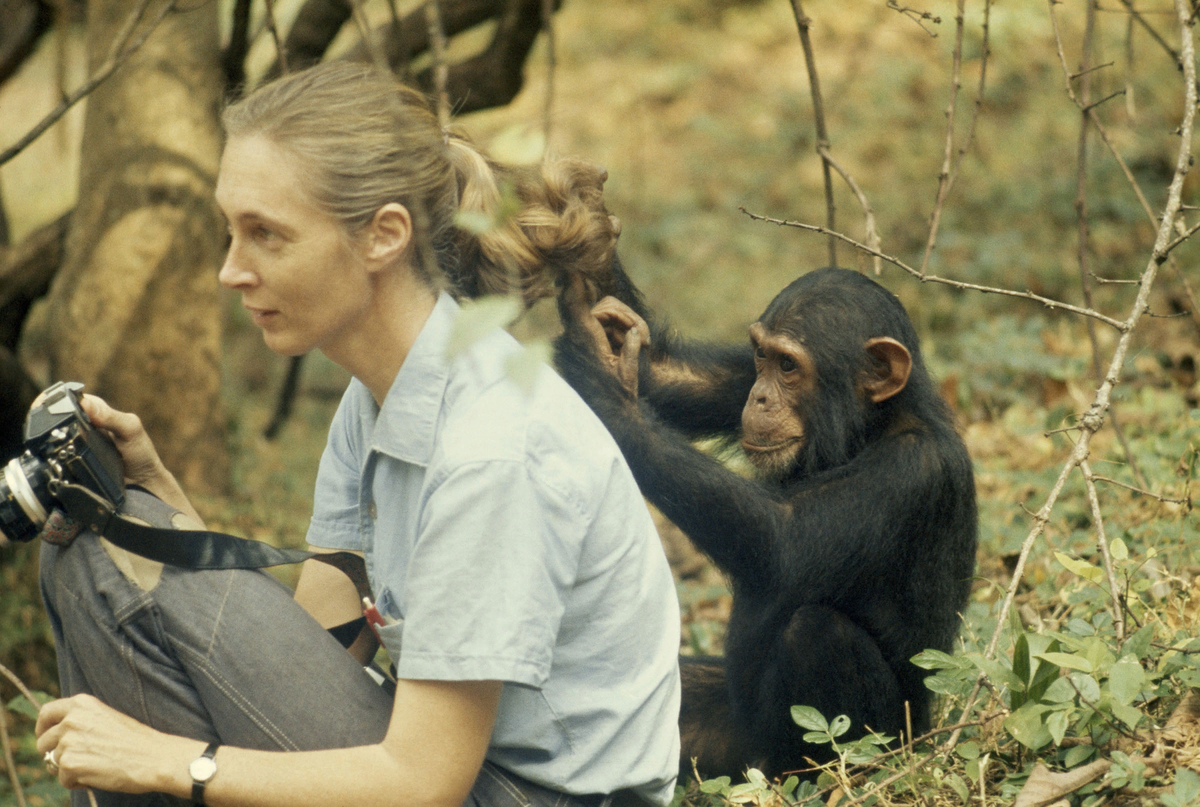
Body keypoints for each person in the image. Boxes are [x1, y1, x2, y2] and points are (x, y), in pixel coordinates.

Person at [33, 60, 681, 807]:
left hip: (527, 797)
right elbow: (318, 653)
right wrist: (168, 511)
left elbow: (422, 782)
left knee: (114, 562)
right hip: (459, 778)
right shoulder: (378, 394)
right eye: (229, 232)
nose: (229, 271)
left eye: (265, 235)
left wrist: (174, 762)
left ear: (383, 236)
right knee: (99, 534)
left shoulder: (491, 448)